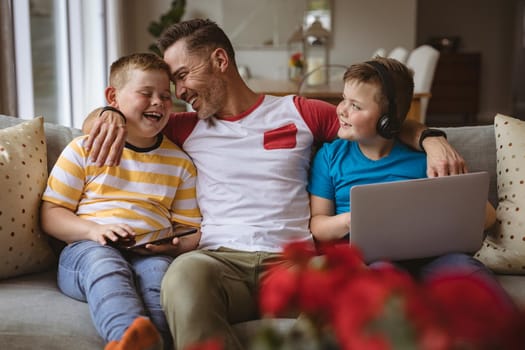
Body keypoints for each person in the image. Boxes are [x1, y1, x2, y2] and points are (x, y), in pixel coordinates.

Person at [82, 19, 467, 349]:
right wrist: (108, 113)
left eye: (183, 76)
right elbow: (105, 127)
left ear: (219, 60)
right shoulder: (184, 126)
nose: (179, 92)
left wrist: (432, 139)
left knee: (351, 281)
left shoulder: (299, 112)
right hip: (217, 262)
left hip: (294, 264)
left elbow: (377, 120)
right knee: (181, 275)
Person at [40, 52, 202, 350]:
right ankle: (125, 339)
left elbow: (190, 229)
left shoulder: (180, 163)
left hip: (150, 253)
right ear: (112, 97)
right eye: (146, 93)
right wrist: (93, 231)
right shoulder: (83, 149)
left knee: (159, 278)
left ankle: (157, 343)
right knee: (106, 265)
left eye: (166, 96)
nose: (158, 102)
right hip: (88, 250)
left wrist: (173, 244)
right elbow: (51, 214)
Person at [307, 57, 498, 279]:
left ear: (387, 121)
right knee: (382, 278)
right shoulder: (330, 157)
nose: (341, 110)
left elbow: (488, 216)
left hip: (435, 256)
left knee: (468, 271)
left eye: (355, 106)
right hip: (372, 261)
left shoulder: (427, 159)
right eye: (344, 99)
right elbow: (318, 225)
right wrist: (353, 219)